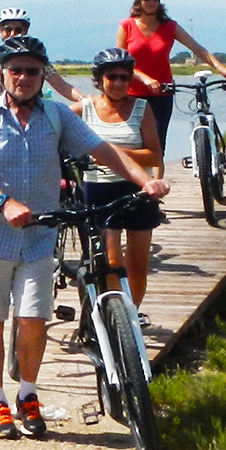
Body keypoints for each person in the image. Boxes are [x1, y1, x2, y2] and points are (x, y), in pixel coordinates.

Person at [0, 36, 169, 440]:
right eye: (15, 69)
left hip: (38, 236)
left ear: (42, 76)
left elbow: (105, 151)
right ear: (2, 73)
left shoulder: (55, 116)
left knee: (35, 318)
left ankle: (28, 395)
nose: (24, 77)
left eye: (33, 71)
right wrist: (3, 202)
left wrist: (146, 181)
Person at [70, 48, 162, 325]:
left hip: (136, 190)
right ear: (99, 79)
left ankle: (131, 314)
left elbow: (154, 154)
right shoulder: (82, 109)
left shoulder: (142, 109)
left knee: (137, 265)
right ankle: (113, 316)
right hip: (100, 190)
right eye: (112, 77)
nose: (120, 83)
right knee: (111, 261)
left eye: (125, 77)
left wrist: (109, 151)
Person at [116, 0, 226, 167]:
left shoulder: (169, 26)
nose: (151, 1)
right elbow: (120, 62)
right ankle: (133, 185)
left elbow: (199, 50)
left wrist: (222, 69)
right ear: (138, 0)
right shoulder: (127, 26)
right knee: (132, 142)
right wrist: (144, 78)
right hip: (132, 94)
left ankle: (155, 191)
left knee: (158, 144)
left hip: (162, 92)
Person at [0, 7, 85, 103]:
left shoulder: (36, 60)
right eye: (7, 29)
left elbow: (62, 87)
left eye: (18, 30)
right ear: (0, 30)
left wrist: (83, 99)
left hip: (33, 115)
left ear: (25, 31)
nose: (12, 34)